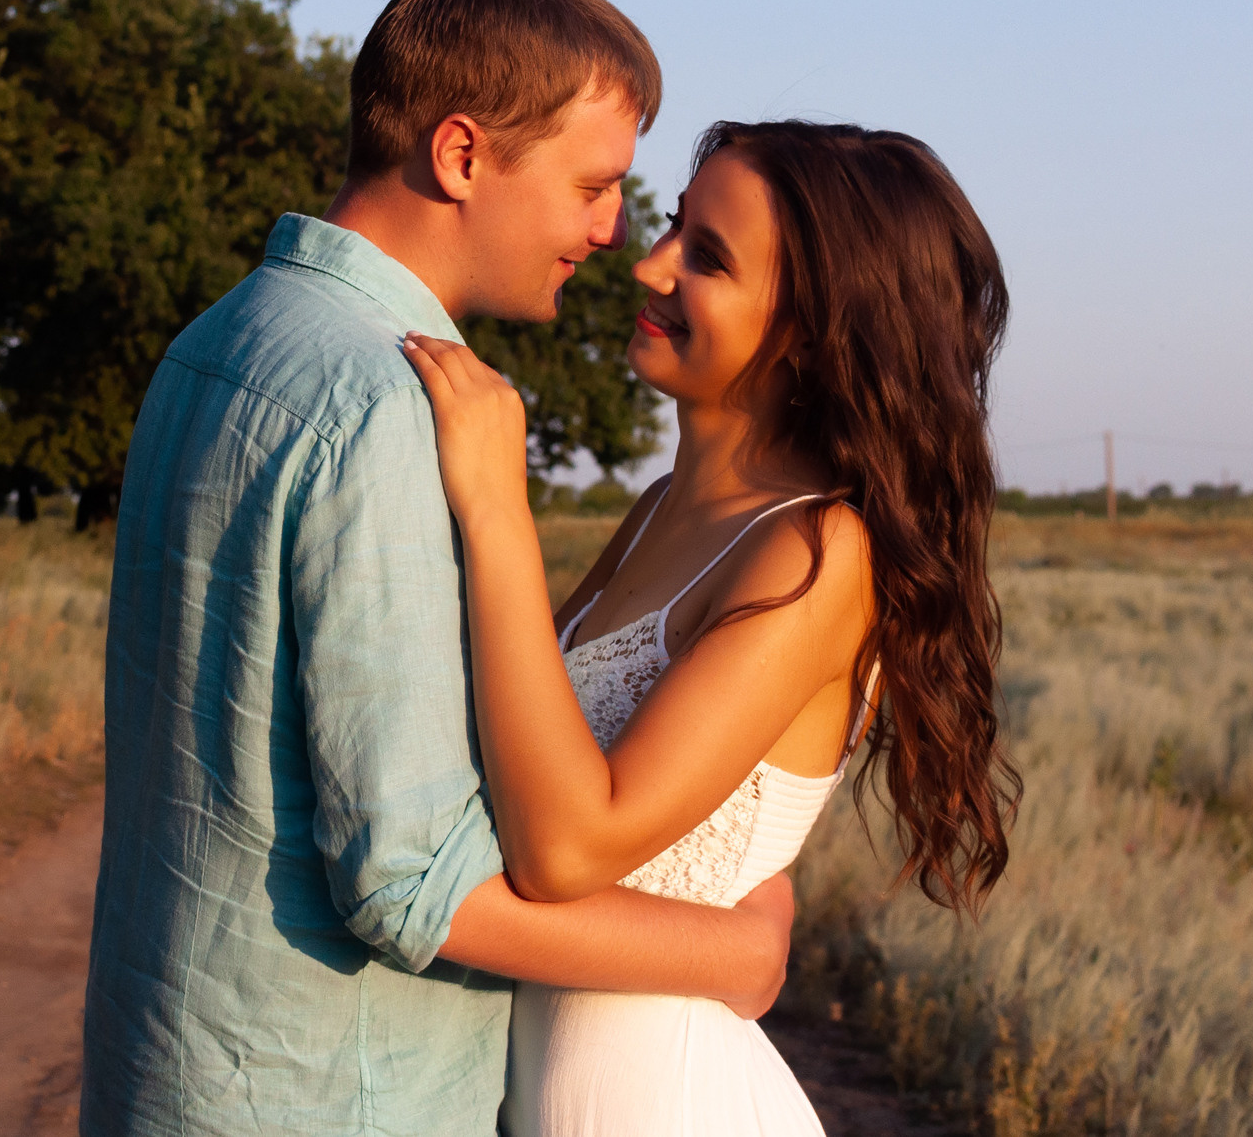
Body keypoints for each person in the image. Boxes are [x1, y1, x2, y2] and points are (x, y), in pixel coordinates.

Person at [80, 0, 798, 1137]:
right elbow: (411, 883)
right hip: (328, 1094)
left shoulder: (215, 340)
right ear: (462, 154)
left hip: (167, 1070)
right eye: (592, 185)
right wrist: (729, 951)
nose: (615, 231)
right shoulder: (387, 406)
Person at [401, 119, 1022, 1135]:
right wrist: (739, 945)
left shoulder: (821, 551)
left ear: (816, 328)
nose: (647, 267)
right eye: (674, 228)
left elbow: (565, 848)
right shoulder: (659, 508)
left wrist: (496, 507)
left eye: (708, 257)